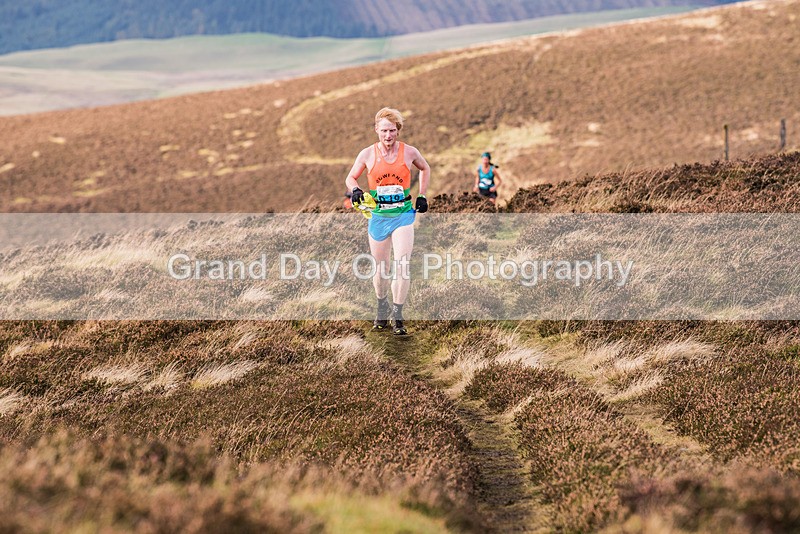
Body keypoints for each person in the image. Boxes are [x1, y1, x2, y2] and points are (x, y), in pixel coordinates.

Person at [345, 107, 430, 335]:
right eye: (384, 130)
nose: (388, 135)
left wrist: (421, 195)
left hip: (402, 216)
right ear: (376, 130)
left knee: (403, 265)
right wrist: (355, 190)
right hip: (379, 217)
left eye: (392, 130)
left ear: (398, 131)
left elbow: (425, 168)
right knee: (382, 269)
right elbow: (351, 176)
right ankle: (382, 304)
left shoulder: (409, 152)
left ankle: (398, 315)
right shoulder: (367, 154)